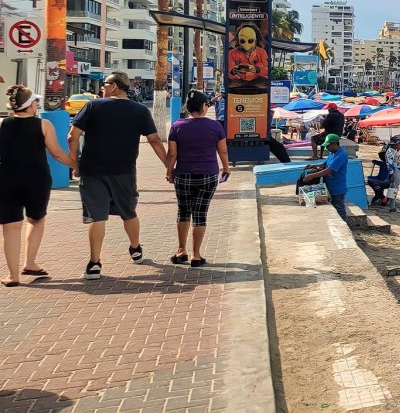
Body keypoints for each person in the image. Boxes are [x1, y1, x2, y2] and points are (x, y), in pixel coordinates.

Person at [68, 72, 169, 280]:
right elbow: (155, 140)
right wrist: (169, 166)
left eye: (105, 84)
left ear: (114, 86)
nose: (102, 88)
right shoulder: (140, 110)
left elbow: (72, 136)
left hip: (93, 170)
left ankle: (94, 263)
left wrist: (75, 163)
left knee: (97, 217)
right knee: (128, 212)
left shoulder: (93, 106)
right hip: (124, 170)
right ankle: (136, 248)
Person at [0, 86, 75, 286]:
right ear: (30, 105)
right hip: (37, 180)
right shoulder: (44, 125)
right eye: (35, 101)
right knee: (35, 220)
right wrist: (77, 165)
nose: (37, 104)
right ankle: (30, 263)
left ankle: (12, 275)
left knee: (10, 228)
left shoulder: (3, 124)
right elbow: (57, 154)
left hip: (6, 181)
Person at [165, 91, 230, 267]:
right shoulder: (215, 126)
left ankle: (181, 250)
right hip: (207, 174)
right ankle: (196, 255)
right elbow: (222, 150)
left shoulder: (177, 126)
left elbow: (172, 154)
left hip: (183, 175)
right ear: (203, 107)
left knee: (183, 211)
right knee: (200, 214)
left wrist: (169, 171)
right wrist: (226, 167)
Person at [300, 134, 350, 220]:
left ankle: (344, 225)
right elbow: (325, 164)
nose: (327, 148)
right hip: (329, 185)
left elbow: (329, 170)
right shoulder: (332, 153)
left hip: (337, 187)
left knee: (339, 207)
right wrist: (313, 166)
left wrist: (312, 176)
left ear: (334, 144)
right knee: (333, 206)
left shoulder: (341, 155)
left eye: (328, 146)